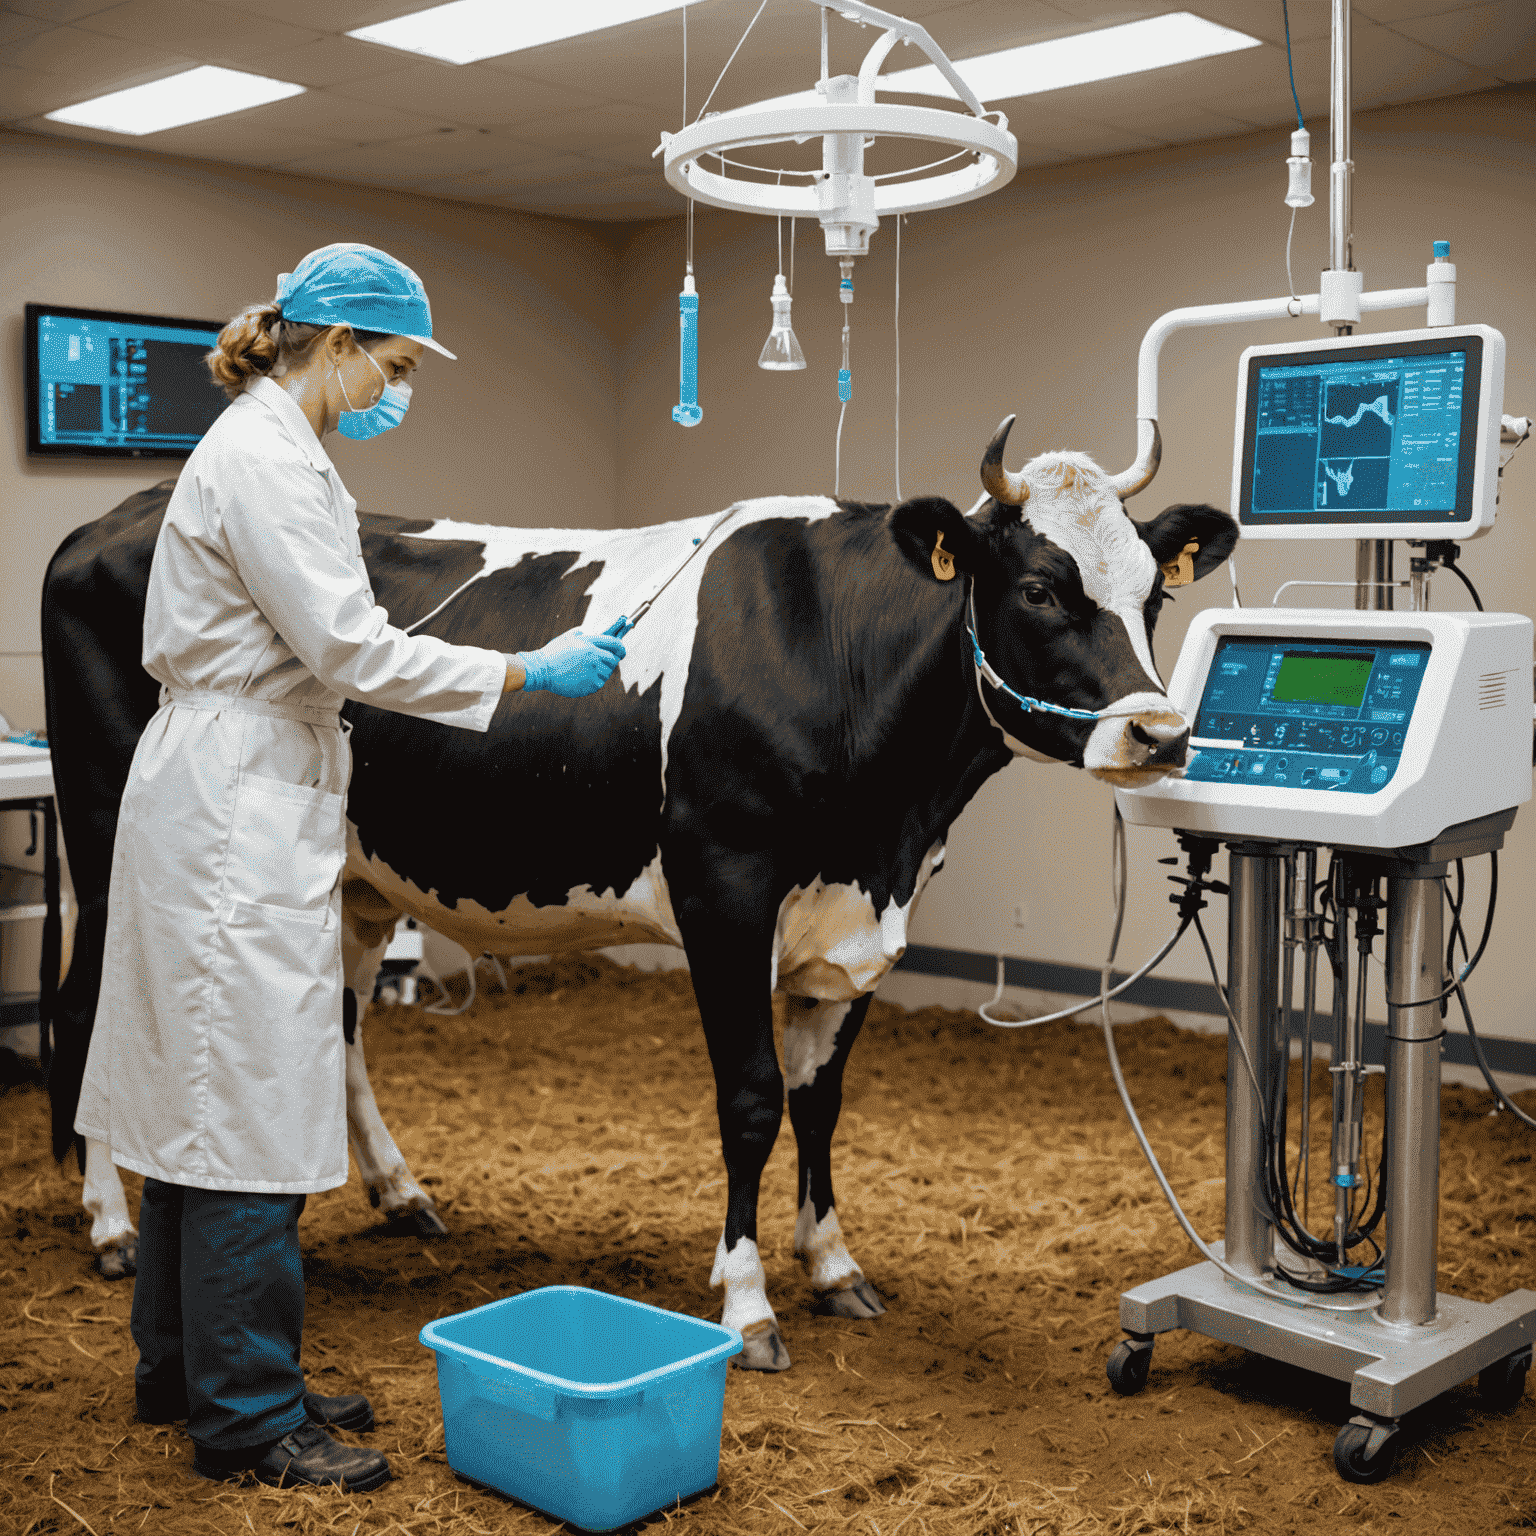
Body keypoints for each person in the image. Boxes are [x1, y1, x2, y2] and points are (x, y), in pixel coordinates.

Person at [72, 243, 625, 1492]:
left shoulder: (274, 450)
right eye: (397, 363)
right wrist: (530, 671)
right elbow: (349, 644)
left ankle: (188, 1368)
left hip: (229, 784)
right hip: (234, 800)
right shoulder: (265, 458)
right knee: (251, 1112)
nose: (401, 386)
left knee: (192, 1103)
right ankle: (252, 1415)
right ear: (333, 346)